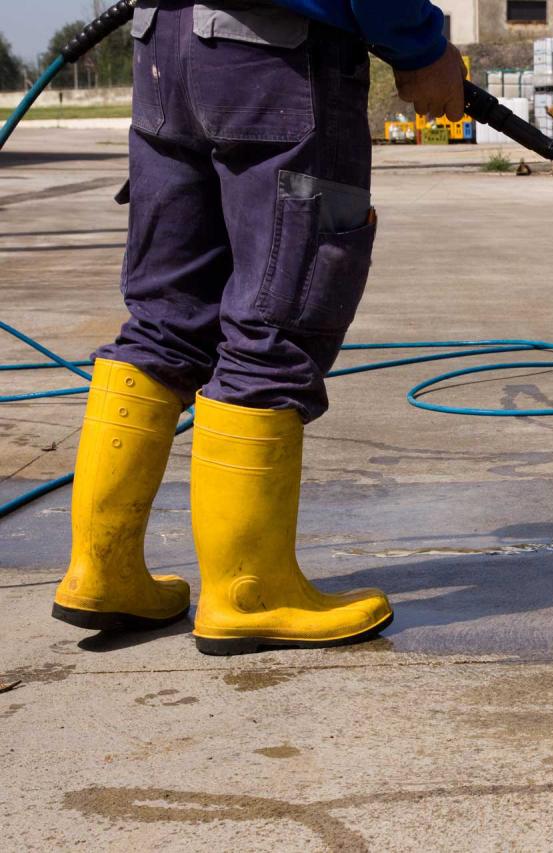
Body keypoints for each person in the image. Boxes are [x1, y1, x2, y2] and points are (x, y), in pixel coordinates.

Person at [51, 0, 465, 655]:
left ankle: (102, 567)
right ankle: (250, 591)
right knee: (281, 316)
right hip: (279, 64)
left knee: (164, 322)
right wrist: (421, 47)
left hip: (165, 48)